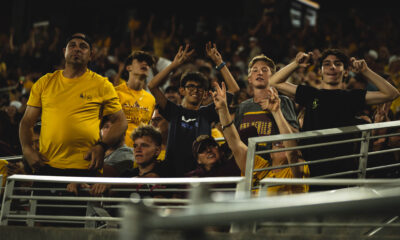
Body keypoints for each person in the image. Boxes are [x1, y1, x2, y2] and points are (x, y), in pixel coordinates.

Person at [270, 49, 400, 181]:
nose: (332, 67)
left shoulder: (352, 96)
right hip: (313, 169)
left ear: (345, 72)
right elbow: (274, 82)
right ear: (320, 71)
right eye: (327, 64)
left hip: (343, 170)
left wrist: (365, 71)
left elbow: (392, 93)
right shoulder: (310, 94)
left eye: (337, 64)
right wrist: (296, 63)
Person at [147, 43, 239, 177]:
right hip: (173, 171)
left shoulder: (207, 113)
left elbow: (234, 89)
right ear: (181, 90)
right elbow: (152, 85)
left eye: (200, 87)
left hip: (200, 172)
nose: (195, 90)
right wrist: (174, 65)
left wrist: (219, 62)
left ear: (205, 94)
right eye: (190, 86)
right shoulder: (173, 111)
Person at [212, 81, 309, 195]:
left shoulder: (295, 169)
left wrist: (276, 112)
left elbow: (292, 152)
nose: (282, 142)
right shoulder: (260, 167)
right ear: (271, 154)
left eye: (283, 142)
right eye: (276, 143)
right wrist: (223, 109)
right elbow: (235, 144)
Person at [67, 115, 134, 196]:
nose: (110, 131)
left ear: (122, 131)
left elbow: (106, 174)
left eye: (114, 127)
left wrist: (78, 179)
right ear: (100, 132)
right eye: (106, 127)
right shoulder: (96, 151)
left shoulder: (127, 153)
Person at [115, 50, 156, 148]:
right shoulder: (115, 93)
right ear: (129, 67)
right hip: (117, 152)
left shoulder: (151, 99)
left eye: (148, 63)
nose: (145, 63)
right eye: (140, 60)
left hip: (140, 154)